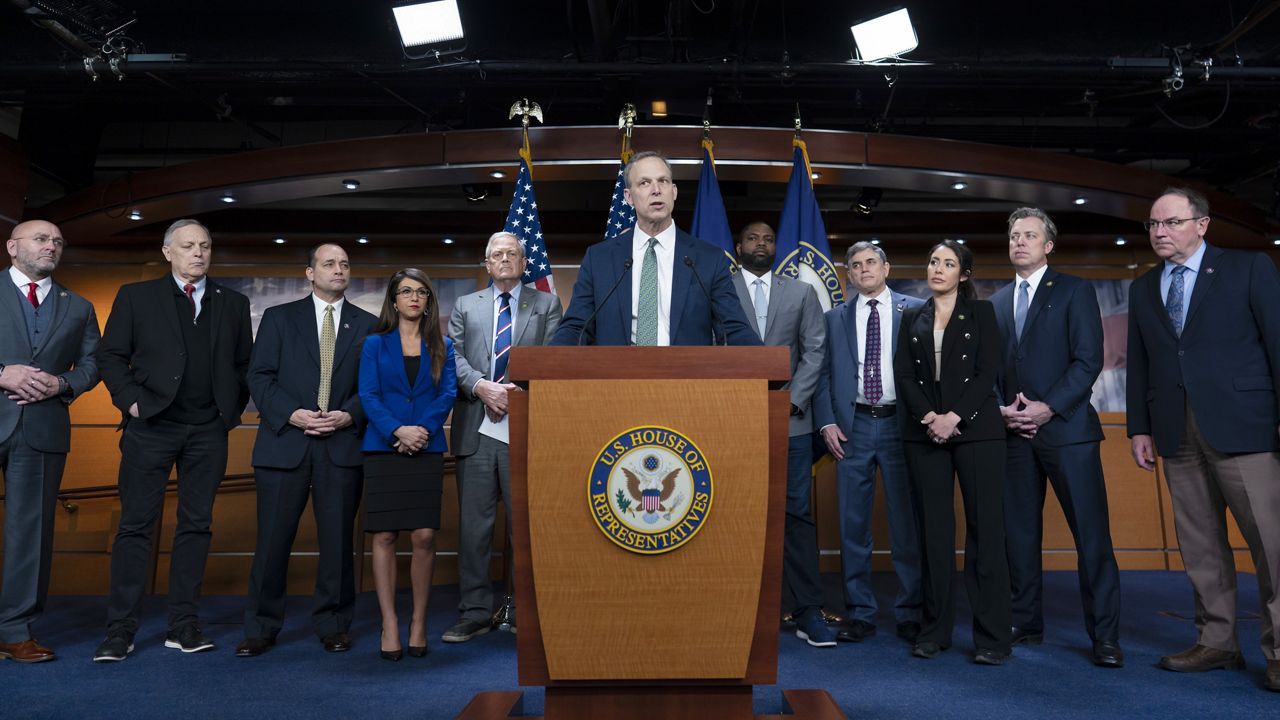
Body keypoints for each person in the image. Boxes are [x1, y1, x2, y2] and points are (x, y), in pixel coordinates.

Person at [1126, 187, 1280, 691]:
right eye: (1152, 225)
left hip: (1245, 425)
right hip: (1175, 430)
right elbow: (1141, 363)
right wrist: (1139, 427)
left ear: (1202, 224)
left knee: (1271, 543)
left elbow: (1277, 341)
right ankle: (1217, 643)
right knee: (1200, 545)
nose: (1159, 233)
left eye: (1169, 223)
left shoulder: (1248, 269)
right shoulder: (1144, 288)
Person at [93, 219, 252, 662]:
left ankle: (183, 625)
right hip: (151, 427)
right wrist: (131, 403)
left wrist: (228, 412)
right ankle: (120, 630)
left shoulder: (234, 303)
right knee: (135, 528)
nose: (198, 253)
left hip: (207, 431)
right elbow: (109, 356)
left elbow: (244, 366)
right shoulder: (135, 296)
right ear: (168, 252)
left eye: (204, 245)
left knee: (196, 526)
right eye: (187, 246)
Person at [990, 208, 1123, 667]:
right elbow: (988, 370)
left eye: (1030, 235)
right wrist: (1002, 411)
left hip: (1067, 432)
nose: (1019, 241)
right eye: (1014, 235)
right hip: (1014, 435)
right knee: (1019, 538)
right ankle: (1025, 623)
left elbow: (1089, 360)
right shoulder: (996, 301)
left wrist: (1048, 408)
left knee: (1091, 537)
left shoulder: (1074, 290)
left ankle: (1105, 636)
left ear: (1048, 245)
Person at [236, 244, 377, 657]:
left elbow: (373, 386)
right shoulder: (279, 319)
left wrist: (349, 416)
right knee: (272, 543)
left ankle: (333, 623)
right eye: (329, 264)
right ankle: (261, 627)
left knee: (337, 544)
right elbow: (258, 377)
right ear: (309, 273)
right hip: (285, 444)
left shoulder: (368, 324)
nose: (339, 270)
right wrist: (292, 414)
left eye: (345, 264)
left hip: (341, 446)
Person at [894, 239, 1012, 665]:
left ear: (964, 275)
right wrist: (930, 417)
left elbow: (987, 373)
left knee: (986, 535)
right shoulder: (912, 316)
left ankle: (993, 639)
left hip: (977, 432)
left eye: (948, 263)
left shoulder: (982, 313)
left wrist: (953, 417)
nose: (937, 268)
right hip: (924, 434)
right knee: (934, 536)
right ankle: (934, 631)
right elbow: (903, 375)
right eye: (932, 261)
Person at [443, 232, 561, 643]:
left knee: (525, 527)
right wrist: (481, 386)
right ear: (487, 263)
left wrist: (516, 392)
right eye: (497, 254)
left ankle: (523, 609)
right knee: (475, 528)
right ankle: (474, 611)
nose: (505, 259)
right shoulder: (465, 305)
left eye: (512, 253)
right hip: (476, 425)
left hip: (525, 424)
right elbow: (450, 357)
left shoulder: (546, 303)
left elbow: (553, 356)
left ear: (524, 262)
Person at [0, 220, 100, 664]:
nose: (51, 246)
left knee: (30, 534)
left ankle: (13, 630)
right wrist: (1, 373)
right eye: (41, 238)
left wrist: (63, 384)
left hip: (42, 429)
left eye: (58, 240)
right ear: (12, 246)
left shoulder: (77, 306)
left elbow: (94, 365)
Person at [814, 241, 924, 644]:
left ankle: (911, 611)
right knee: (853, 524)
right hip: (852, 426)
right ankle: (860, 612)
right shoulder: (833, 318)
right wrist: (826, 421)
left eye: (871, 263)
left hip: (901, 425)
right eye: (855, 265)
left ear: (886, 267)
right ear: (849, 274)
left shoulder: (913, 309)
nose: (864, 270)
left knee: (906, 523)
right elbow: (821, 374)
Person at [730, 221, 833, 647]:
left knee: (795, 514)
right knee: (731, 513)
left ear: (776, 247)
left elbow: (815, 349)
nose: (760, 244)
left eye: (768, 239)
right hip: (731, 422)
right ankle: (736, 608)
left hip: (790, 420)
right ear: (738, 246)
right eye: (752, 238)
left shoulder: (801, 292)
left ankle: (808, 609)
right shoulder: (722, 288)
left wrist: (792, 400)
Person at [550, 151, 758, 346]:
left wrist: (769, 363)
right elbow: (577, 327)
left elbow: (733, 328)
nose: (656, 190)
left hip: (687, 380)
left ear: (674, 192)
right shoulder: (599, 258)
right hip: (617, 380)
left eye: (663, 181)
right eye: (644, 183)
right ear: (629, 197)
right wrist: (541, 367)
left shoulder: (708, 258)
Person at [359, 268, 457, 661]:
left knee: (423, 537)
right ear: (394, 300)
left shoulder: (443, 345)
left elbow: (447, 393)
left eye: (421, 292)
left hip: (426, 448)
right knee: (383, 536)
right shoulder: (374, 345)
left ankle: (418, 622)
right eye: (406, 291)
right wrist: (397, 430)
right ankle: (389, 623)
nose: (414, 298)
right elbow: (368, 394)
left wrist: (421, 431)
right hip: (384, 448)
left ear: (428, 301)